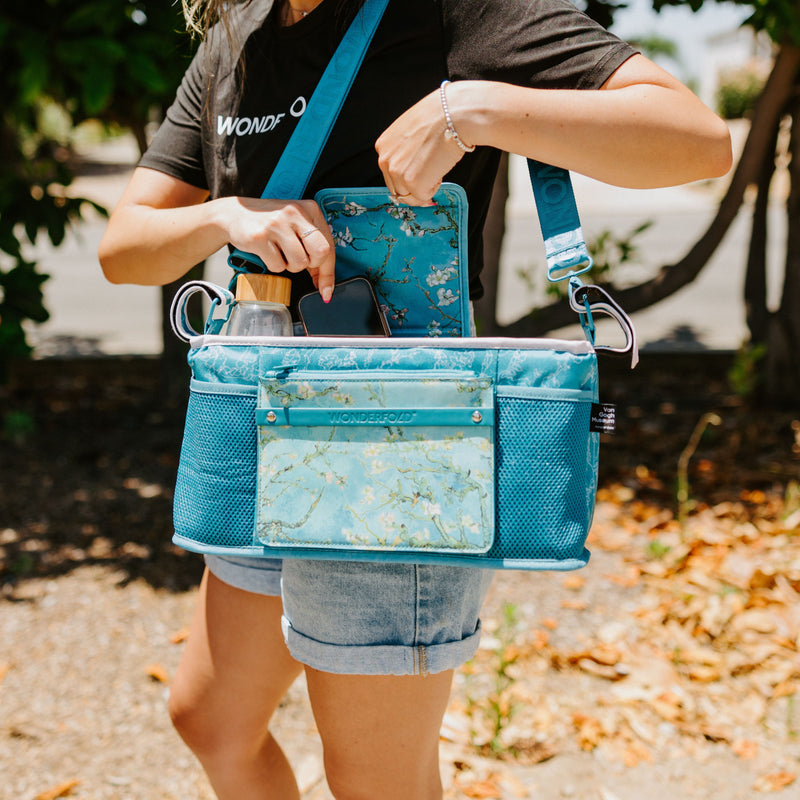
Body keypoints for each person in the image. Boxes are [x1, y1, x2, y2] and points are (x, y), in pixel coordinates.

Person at [98, 1, 731, 797]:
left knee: (375, 781)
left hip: (397, 443)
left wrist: (470, 109)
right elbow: (123, 249)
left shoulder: (453, 11)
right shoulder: (235, 43)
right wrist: (226, 215)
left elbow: (698, 140)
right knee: (210, 720)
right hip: (265, 419)